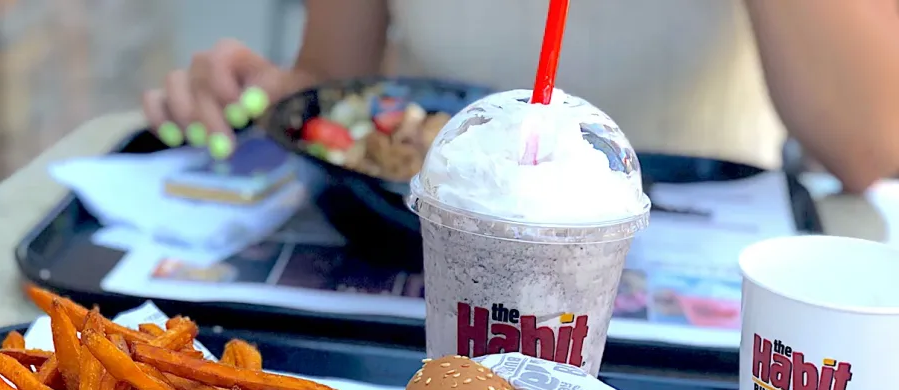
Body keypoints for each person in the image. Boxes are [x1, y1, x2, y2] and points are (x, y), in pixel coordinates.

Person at [144, 0, 899, 192]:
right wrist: (252, 95)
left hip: (700, 345)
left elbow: (870, 141)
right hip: (439, 281)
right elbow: (329, 82)